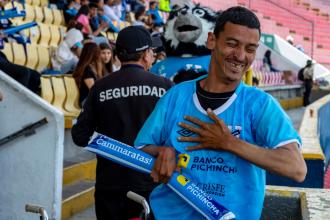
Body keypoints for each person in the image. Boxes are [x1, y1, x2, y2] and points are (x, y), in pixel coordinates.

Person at [134, 7, 307, 219]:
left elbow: (296, 168)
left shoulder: (260, 105)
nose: (241, 56)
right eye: (232, 44)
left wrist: (229, 143)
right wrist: (163, 151)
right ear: (211, 41)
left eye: (250, 49)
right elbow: (141, 147)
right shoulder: (177, 96)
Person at [71, 26, 173, 220]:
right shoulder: (165, 86)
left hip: (110, 186)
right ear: (145, 54)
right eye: (152, 52)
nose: (153, 56)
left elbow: (80, 136)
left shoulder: (100, 87)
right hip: (151, 185)